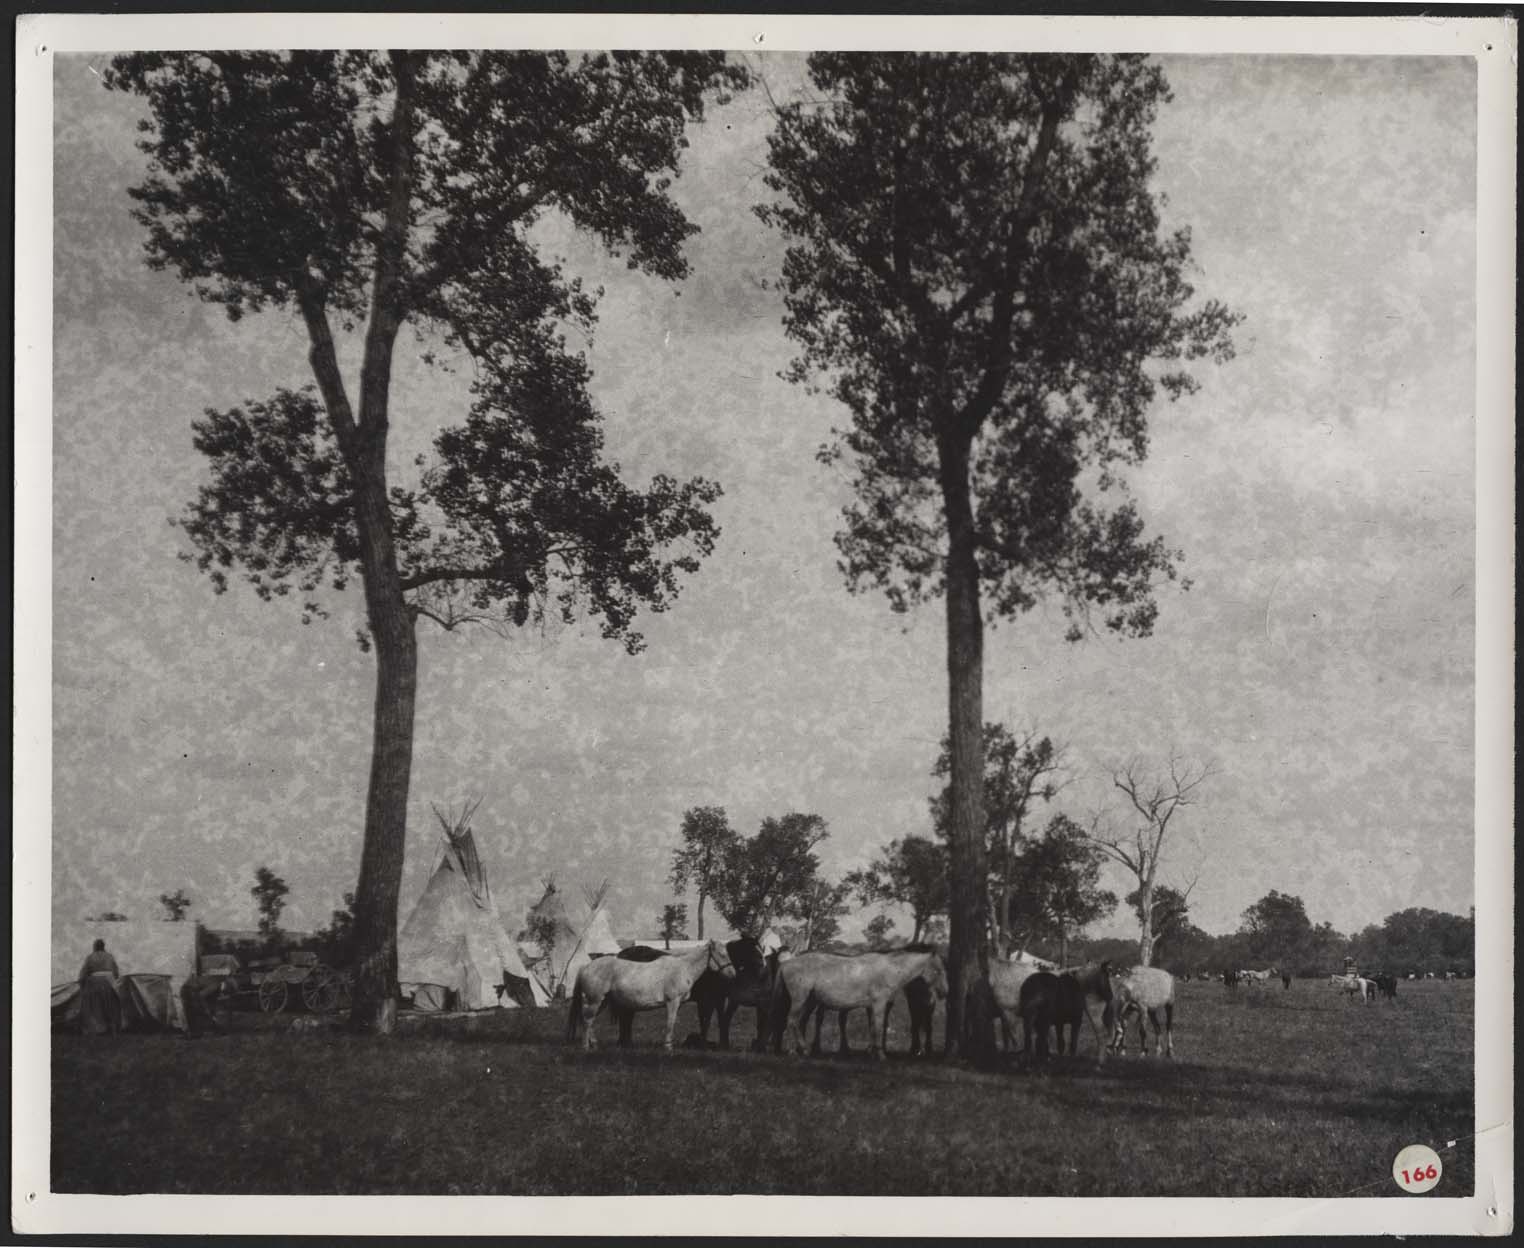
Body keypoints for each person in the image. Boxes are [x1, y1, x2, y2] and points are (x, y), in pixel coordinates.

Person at [77, 938, 122, 1036]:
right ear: (103, 947)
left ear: (95, 947)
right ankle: (111, 1029)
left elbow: (84, 973)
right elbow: (116, 973)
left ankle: (96, 1029)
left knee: (94, 1007)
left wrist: (81, 982)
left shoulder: (90, 957)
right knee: (110, 1007)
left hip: (94, 983)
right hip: (109, 983)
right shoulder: (110, 957)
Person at [179, 972, 229, 1038]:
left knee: (195, 1012)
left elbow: (209, 999)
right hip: (189, 989)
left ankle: (195, 1032)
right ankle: (195, 1032)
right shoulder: (215, 984)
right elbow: (201, 996)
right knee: (195, 1011)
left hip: (188, 987)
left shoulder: (214, 977)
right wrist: (206, 1009)